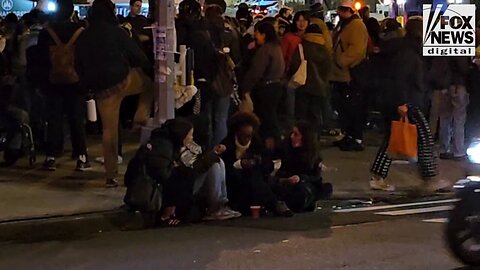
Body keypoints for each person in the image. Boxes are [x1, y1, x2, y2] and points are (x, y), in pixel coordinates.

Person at [75, 0, 153, 187]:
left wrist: (88, 87)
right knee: (150, 84)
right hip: (122, 80)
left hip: (102, 90)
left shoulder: (84, 35)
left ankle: (111, 176)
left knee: (108, 131)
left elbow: (78, 65)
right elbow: (138, 57)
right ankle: (141, 115)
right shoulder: (117, 32)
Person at [369, 17, 450, 192]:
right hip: (409, 100)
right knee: (424, 136)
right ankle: (430, 176)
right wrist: (402, 102)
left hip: (406, 99)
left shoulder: (406, 49)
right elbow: (401, 79)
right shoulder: (409, 52)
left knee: (393, 137)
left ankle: (378, 175)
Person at [36, 0, 90, 171]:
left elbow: (41, 60)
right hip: (76, 83)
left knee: (54, 119)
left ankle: (51, 155)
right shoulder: (81, 31)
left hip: (53, 83)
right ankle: (81, 156)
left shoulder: (46, 32)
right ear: (72, 11)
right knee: (77, 120)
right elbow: (84, 59)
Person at [220, 112, 294, 217]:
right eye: (243, 136)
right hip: (235, 185)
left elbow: (269, 165)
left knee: (253, 174)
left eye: (249, 136)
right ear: (236, 133)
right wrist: (239, 165)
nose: (246, 139)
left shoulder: (257, 143)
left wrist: (257, 162)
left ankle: (272, 203)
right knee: (252, 176)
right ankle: (275, 203)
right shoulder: (227, 145)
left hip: (255, 181)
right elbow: (223, 170)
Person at [331, 0, 369, 151]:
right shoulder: (346, 25)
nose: (341, 13)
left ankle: (356, 137)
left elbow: (356, 50)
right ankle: (349, 135)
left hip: (351, 72)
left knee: (354, 106)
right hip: (344, 73)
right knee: (346, 106)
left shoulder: (356, 26)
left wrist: (341, 61)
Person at [241, 22, 285, 151]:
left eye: (258, 33)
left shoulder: (265, 50)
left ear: (264, 35)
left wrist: (245, 89)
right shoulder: (276, 47)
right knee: (271, 118)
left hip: (266, 89)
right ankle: (273, 145)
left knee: (268, 120)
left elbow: (255, 72)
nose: (255, 35)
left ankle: (274, 147)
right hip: (276, 86)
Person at [272, 121, 333, 212]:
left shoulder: (312, 155)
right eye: (292, 133)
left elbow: (315, 177)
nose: (292, 136)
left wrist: (300, 178)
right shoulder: (286, 147)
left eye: (296, 135)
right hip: (288, 182)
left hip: (305, 184)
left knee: (322, 189)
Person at [289, 24, 332, 134]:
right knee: (315, 113)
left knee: (302, 115)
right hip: (320, 86)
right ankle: (314, 138)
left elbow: (295, 64)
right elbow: (328, 68)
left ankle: (303, 138)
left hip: (304, 85)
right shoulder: (325, 49)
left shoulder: (303, 46)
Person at [280, 11, 310, 135]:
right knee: (290, 103)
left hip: (307, 75)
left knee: (302, 103)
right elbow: (283, 56)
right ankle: (291, 127)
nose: (302, 23)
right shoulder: (289, 37)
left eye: (304, 20)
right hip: (291, 75)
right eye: (299, 20)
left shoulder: (310, 37)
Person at [438, 57, 470, 160]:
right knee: (459, 119)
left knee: (444, 118)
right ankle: (458, 151)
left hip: (444, 86)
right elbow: (463, 68)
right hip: (458, 85)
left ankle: (443, 149)